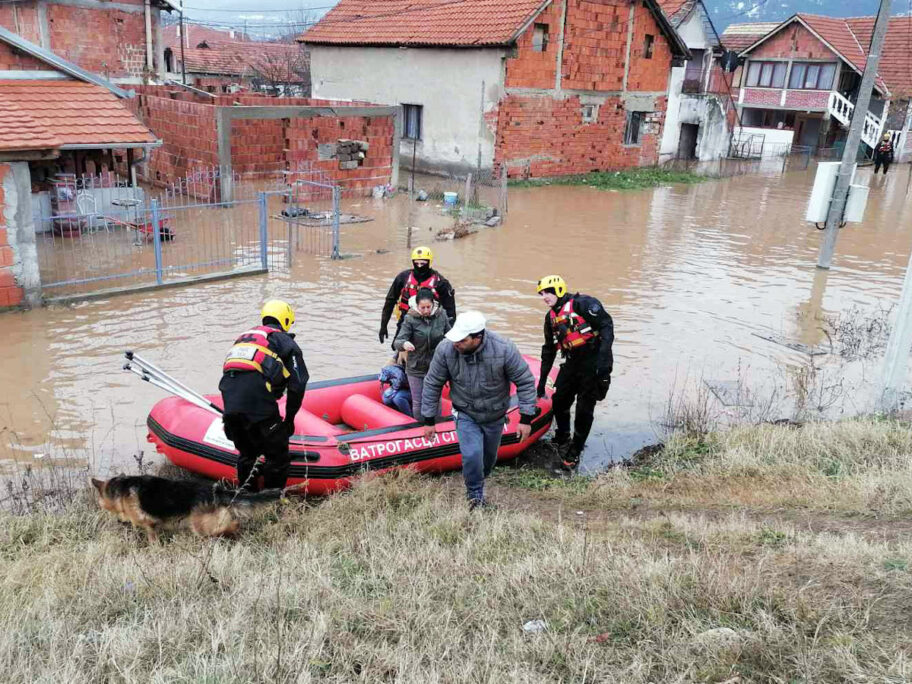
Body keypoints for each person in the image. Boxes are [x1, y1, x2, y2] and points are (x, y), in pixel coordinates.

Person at [421, 311, 537, 509]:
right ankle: (474, 496)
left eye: (462, 340)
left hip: (495, 414)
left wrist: (525, 419)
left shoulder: (503, 348)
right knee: (472, 454)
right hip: (465, 412)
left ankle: (479, 479)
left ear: (478, 337)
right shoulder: (446, 349)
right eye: (455, 339)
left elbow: (525, 382)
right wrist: (429, 419)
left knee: (488, 459)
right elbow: (433, 383)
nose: (456, 343)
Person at [219, 300, 308, 492]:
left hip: (231, 404)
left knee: (247, 454)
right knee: (278, 456)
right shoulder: (285, 341)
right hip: (257, 404)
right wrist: (289, 420)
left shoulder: (243, 338)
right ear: (285, 320)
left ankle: (245, 498)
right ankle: (270, 503)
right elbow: (298, 383)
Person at [536, 275, 614, 472]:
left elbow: (607, 326)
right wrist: (542, 381)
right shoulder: (551, 318)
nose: (544, 297)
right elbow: (549, 350)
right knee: (559, 400)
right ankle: (563, 436)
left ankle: (575, 450)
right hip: (572, 362)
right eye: (542, 294)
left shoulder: (583, 304)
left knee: (584, 410)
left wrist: (604, 367)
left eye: (548, 292)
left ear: (559, 290)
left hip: (593, 362)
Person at [379, 246, 456, 347]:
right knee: (396, 346)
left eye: (423, 263)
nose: (419, 266)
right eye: (416, 263)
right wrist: (383, 326)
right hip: (406, 320)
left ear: (429, 262)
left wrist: (451, 336)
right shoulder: (403, 278)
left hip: (432, 323)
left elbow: (450, 311)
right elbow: (390, 301)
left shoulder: (441, 283)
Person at [393, 287, 452, 418]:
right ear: (417, 306)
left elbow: (450, 336)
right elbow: (398, 341)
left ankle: (437, 428)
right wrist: (404, 344)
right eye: (422, 308)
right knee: (418, 402)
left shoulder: (441, 315)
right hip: (416, 367)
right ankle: (421, 428)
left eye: (428, 307)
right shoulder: (410, 319)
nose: (426, 311)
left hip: (436, 366)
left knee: (435, 401)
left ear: (433, 304)